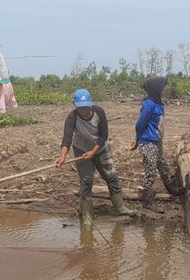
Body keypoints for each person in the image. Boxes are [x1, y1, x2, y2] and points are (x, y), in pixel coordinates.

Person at [55, 89, 137, 228]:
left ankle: (121, 207)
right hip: (81, 149)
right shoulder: (72, 117)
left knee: (111, 176)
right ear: (75, 106)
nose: (84, 110)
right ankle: (87, 215)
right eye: (80, 107)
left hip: (101, 149)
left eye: (86, 107)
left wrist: (93, 152)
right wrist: (62, 156)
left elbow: (103, 135)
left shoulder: (99, 112)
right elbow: (67, 137)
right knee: (86, 182)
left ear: (90, 104)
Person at [130, 76, 183, 213]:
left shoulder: (157, 103)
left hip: (156, 141)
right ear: (157, 88)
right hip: (148, 142)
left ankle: (173, 189)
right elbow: (140, 124)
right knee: (151, 171)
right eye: (164, 87)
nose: (165, 89)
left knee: (163, 165)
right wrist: (137, 139)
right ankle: (148, 200)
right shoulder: (149, 105)